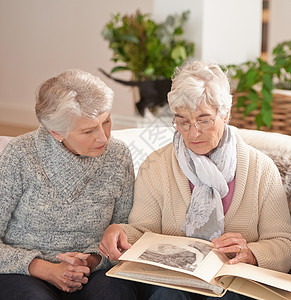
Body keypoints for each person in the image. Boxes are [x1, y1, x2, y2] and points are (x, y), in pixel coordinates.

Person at [99, 61, 291, 299]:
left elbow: (283, 245)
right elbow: (142, 231)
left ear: (226, 114)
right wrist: (120, 233)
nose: (193, 133)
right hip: (173, 284)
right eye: (183, 121)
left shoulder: (261, 169)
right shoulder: (156, 165)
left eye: (204, 120)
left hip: (232, 283)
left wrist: (251, 253)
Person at [0, 69, 139, 299]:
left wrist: (93, 260)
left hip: (94, 271)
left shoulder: (118, 155)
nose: (103, 137)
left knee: (117, 292)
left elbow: (123, 227)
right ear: (56, 132)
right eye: (88, 130)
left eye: (106, 122)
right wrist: (44, 268)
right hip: (25, 273)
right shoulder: (20, 155)